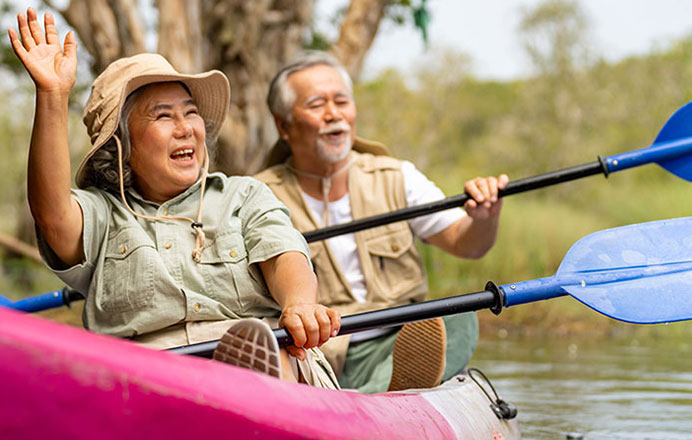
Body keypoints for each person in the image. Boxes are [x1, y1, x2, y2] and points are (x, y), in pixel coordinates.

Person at [9, 8, 340, 387]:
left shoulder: (242, 195)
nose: (186, 129)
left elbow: (286, 258)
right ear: (122, 146)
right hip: (148, 380)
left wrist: (299, 304)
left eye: (192, 113)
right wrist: (52, 95)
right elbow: (52, 215)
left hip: (257, 354)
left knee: (270, 352)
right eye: (163, 116)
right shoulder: (103, 214)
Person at [255, 51, 508, 393]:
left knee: (460, 317)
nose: (334, 115)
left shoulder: (397, 176)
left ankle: (369, 398)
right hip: (314, 353)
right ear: (283, 125)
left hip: (399, 340)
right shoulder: (257, 195)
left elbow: (469, 244)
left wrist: (485, 217)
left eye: (342, 101)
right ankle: (369, 399)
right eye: (317, 105)